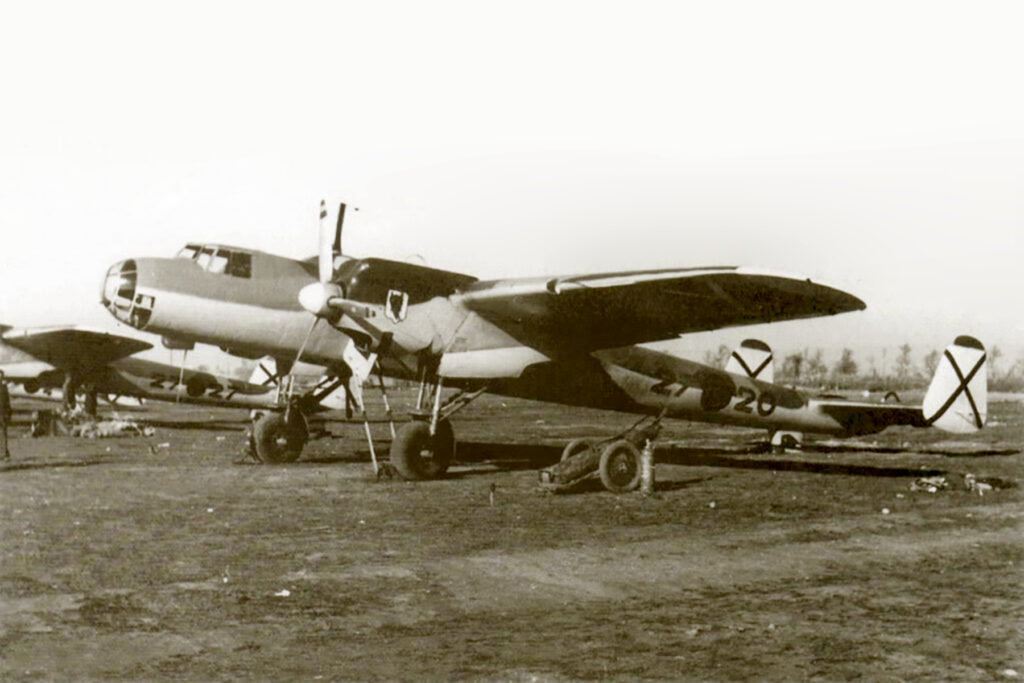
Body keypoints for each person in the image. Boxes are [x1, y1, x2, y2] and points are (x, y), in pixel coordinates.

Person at [0, 372, 11, 459]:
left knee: (3, 433)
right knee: (3, 433)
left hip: (3, 413)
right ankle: (4, 452)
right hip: (3, 413)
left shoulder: (4, 388)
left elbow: (7, 402)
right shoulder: (4, 388)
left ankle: (4, 452)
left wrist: (8, 413)